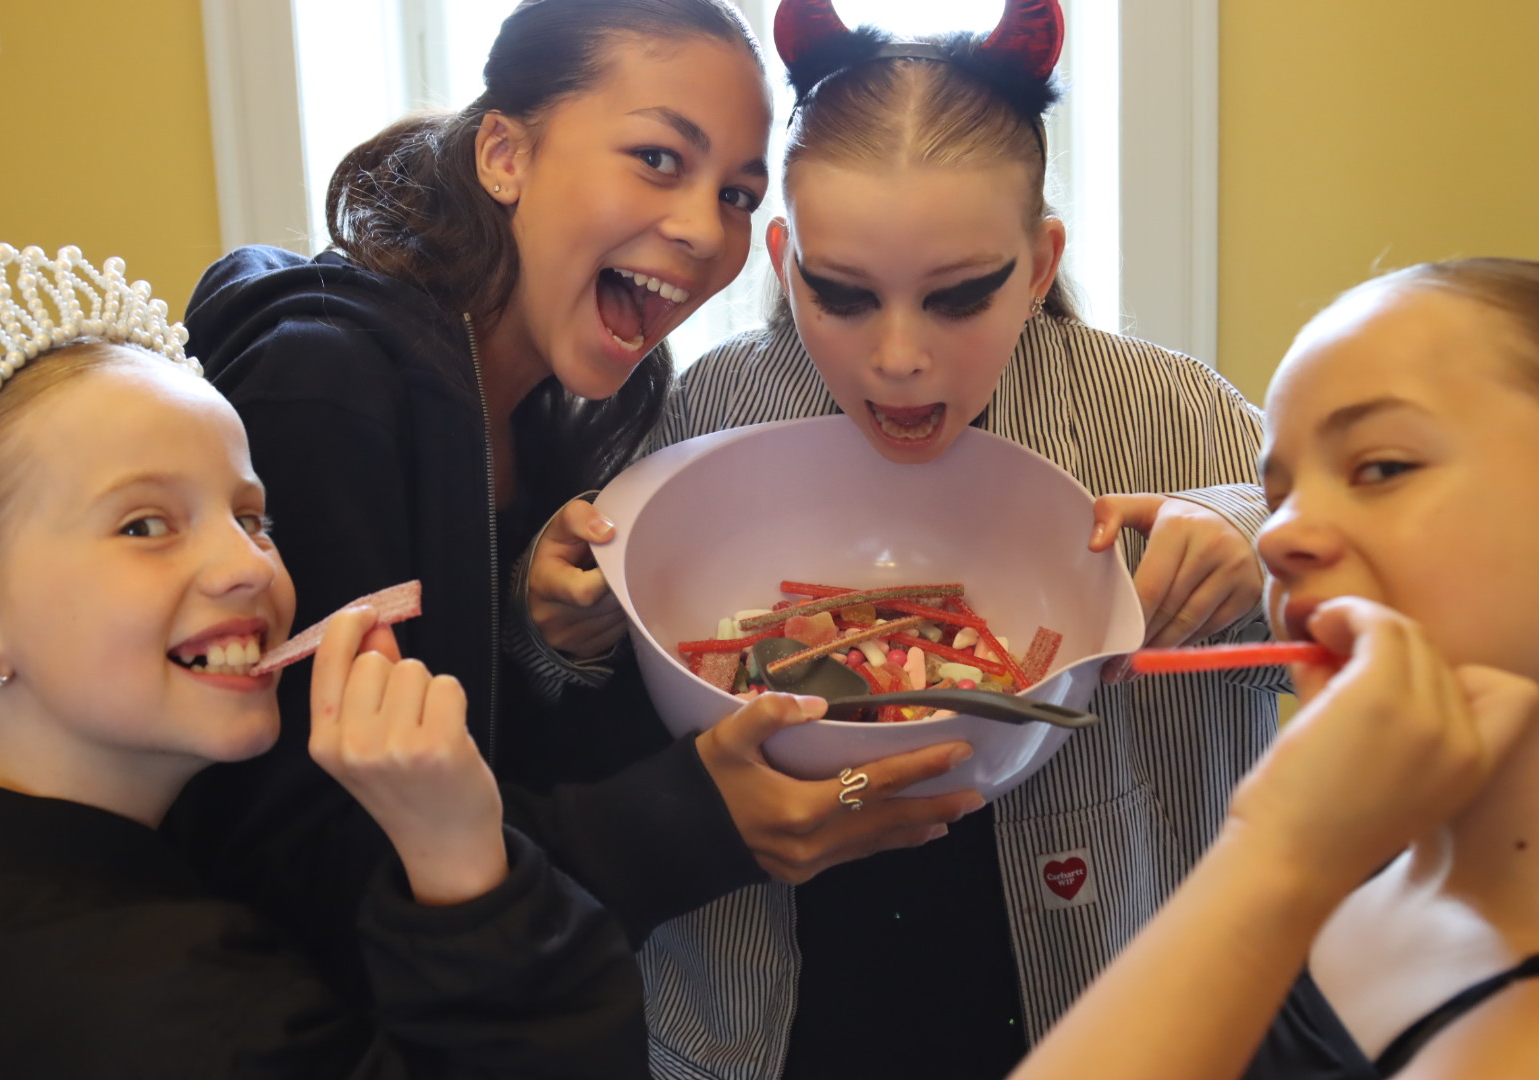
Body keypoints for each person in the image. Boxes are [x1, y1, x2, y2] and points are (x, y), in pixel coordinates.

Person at [166, 0, 980, 1014]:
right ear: (504, 153)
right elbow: (286, 861)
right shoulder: (322, 393)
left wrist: (542, 630)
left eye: (737, 191)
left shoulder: (582, 407)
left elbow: (492, 732)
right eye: (656, 158)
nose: (701, 230)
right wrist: (695, 825)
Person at [530, 2, 1285, 1075]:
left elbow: (1381, 600)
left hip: (1094, 997)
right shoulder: (708, 408)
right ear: (785, 261)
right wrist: (559, 618)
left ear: (1037, 263)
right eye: (841, 296)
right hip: (777, 1010)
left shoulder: (1176, 415)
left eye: (957, 298)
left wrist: (1256, 538)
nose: (897, 359)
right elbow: (591, 707)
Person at [0, 243, 647, 1077]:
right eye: (145, 525)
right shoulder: (190, 1013)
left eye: (252, 518)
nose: (248, 567)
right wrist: (459, 854)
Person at [1010, 258, 1539, 1080]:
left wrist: (1274, 855)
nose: (1276, 539)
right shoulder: (1351, 873)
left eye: (1382, 467)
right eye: (1280, 492)